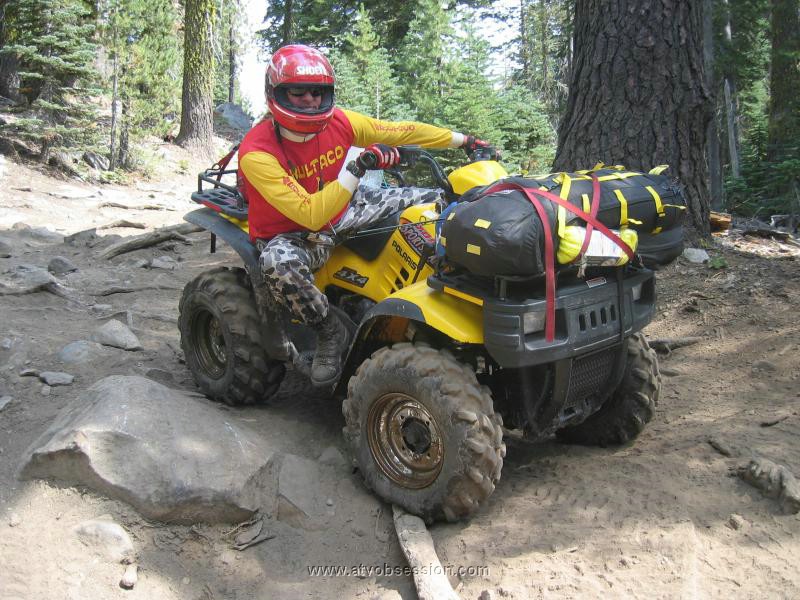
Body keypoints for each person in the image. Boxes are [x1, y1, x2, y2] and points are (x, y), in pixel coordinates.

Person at [238, 44, 493, 386]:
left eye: (318, 91)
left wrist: (463, 141)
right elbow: (312, 215)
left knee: (437, 203)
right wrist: (359, 165)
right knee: (276, 263)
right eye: (298, 92)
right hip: (292, 233)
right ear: (277, 93)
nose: (311, 100)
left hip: (345, 209)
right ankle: (329, 331)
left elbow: (401, 131)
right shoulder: (257, 153)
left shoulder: (341, 123)